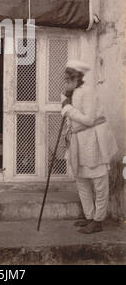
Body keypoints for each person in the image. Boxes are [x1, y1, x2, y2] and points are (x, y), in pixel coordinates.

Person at [61, 60, 118, 234]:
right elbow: (69, 115)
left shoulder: (89, 92)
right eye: (66, 77)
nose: (66, 81)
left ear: (77, 77)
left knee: (99, 182)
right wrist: (67, 103)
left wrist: (68, 108)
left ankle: (98, 220)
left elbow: (89, 120)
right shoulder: (69, 93)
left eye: (69, 77)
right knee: (81, 180)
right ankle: (89, 216)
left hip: (94, 140)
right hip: (78, 141)